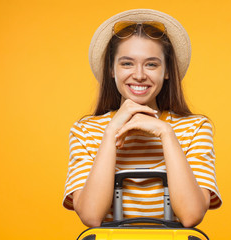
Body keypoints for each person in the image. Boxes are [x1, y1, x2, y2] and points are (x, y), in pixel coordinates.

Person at [63, 9, 222, 228]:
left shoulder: (195, 128)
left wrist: (166, 133)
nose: (139, 75)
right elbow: (91, 217)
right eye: (127, 63)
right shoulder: (85, 131)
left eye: (151, 64)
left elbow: (191, 215)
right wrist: (110, 134)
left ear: (166, 71)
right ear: (112, 69)